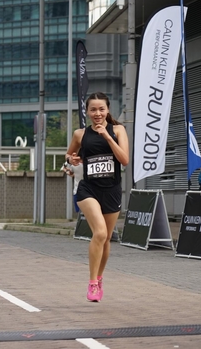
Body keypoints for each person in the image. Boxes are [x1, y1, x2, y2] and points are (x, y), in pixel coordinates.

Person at [66, 92, 129, 302]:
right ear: (87, 112)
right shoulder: (80, 134)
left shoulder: (118, 130)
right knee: (100, 233)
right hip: (88, 190)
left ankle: (100, 277)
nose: (97, 113)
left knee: (106, 238)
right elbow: (69, 156)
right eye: (93, 109)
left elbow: (124, 160)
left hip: (111, 190)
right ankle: (92, 283)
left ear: (108, 110)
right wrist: (71, 161)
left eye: (101, 109)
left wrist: (107, 137)